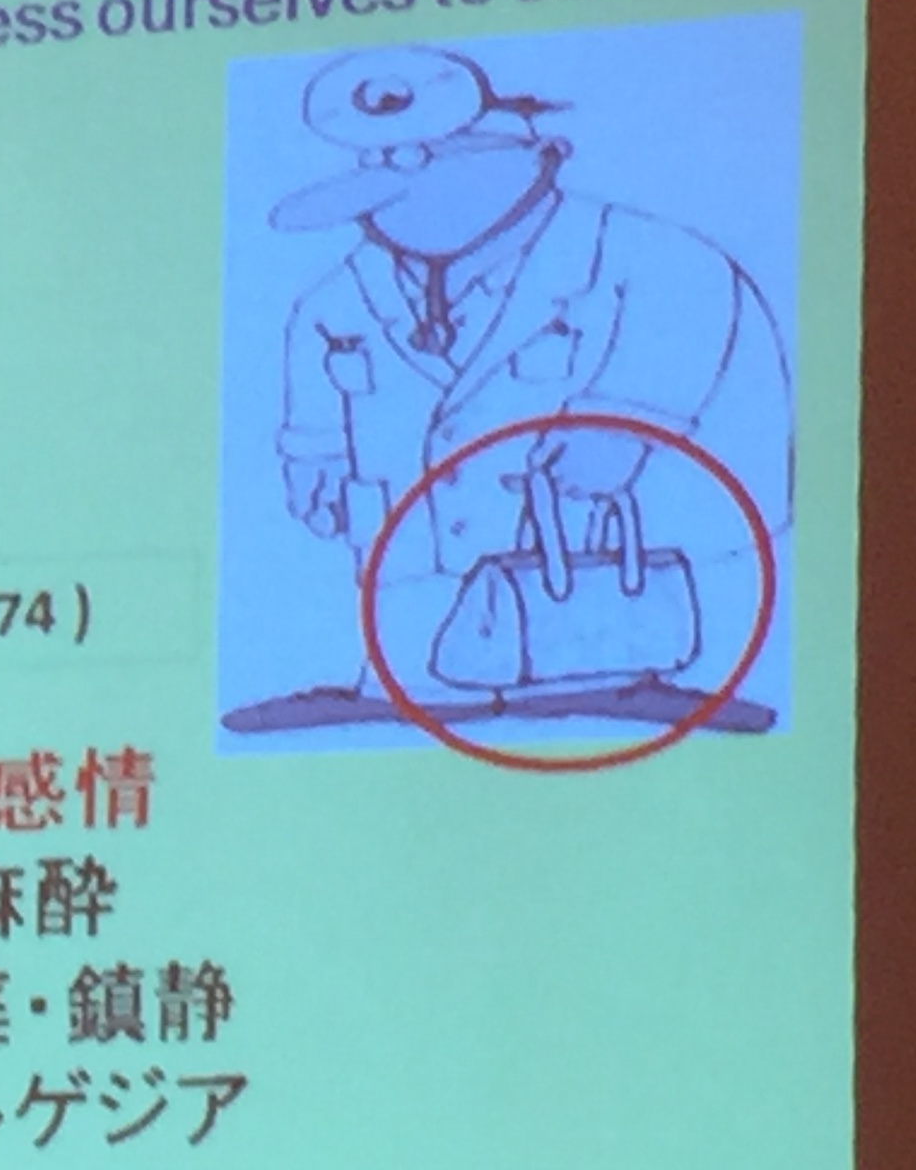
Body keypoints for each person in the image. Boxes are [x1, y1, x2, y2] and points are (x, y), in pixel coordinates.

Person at [224, 44, 791, 735]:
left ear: (531, 156)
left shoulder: (639, 253)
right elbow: (316, 396)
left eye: (427, 161)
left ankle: (606, 679)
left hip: (596, 572)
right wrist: (313, 457)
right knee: (421, 671)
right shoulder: (341, 295)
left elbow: (690, 313)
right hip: (412, 569)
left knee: (590, 679)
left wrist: (622, 422)